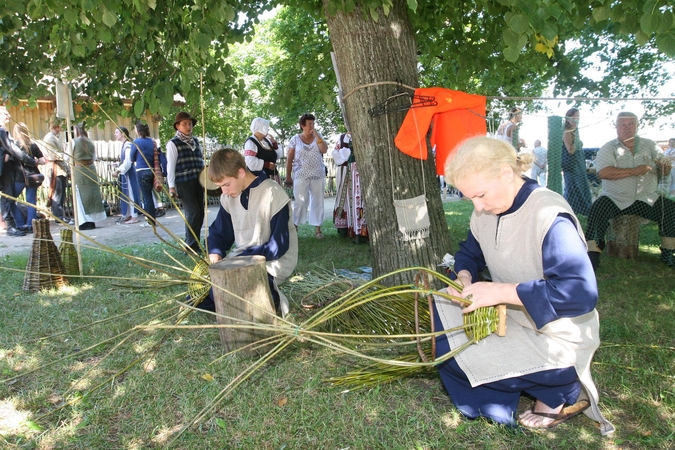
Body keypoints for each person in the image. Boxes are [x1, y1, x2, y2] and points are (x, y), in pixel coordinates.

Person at [434, 136, 614, 435]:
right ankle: (507, 392)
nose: (478, 207)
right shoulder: (488, 209)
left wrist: (501, 292)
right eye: (471, 200)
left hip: (558, 338)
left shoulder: (549, 214)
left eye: (481, 195)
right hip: (514, 319)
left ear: (506, 173)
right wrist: (464, 276)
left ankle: (562, 389)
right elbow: (469, 252)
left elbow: (580, 294)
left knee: (455, 356)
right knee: (441, 314)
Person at [200, 148, 298, 317]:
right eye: (220, 186)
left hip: (272, 260)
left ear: (241, 172)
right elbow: (219, 233)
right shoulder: (229, 198)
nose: (224, 191)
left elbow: (278, 246)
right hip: (242, 258)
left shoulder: (272, 193)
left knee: (245, 285)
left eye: (226, 184)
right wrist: (215, 252)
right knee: (204, 297)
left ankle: (271, 300)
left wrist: (244, 257)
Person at [585, 112, 675, 270]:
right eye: (623, 125)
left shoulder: (650, 145)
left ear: (637, 126)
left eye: (630, 124)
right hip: (615, 198)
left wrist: (665, 168)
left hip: (646, 198)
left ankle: (668, 253)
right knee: (597, 211)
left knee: (670, 209)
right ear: (617, 127)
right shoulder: (609, 147)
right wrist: (634, 170)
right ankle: (592, 254)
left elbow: (664, 170)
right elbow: (603, 173)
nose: (626, 128)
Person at [166, 111, 205, 254]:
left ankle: (196, 244)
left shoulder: (195, 141)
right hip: (184, 182)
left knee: (200, 213)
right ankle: (190, 246)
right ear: (177, 126)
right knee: (193, 212)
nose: (188, 126)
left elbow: (200, 161)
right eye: (184, 124)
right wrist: (171, 187)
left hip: (199, 181)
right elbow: (170, 166)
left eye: (189, 124)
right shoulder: (173, 143)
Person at [284, 113, 328, 239]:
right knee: (300, 202)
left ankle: (318, 230)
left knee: (318, 201)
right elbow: (289, 160)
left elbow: (324, 150)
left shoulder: (317, 137)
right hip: (301, 175)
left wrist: (317, 135)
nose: (312, 126)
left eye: (313, 124)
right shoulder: (295, 139)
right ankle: (295, 228)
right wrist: (288, 176)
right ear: (302, 125)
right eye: (309, 124)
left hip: (318, 175)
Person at [0, 106, 38, 236]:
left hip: (7, 170)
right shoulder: (1, 131)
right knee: (7, 197)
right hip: (5, 170)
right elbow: (13, 149)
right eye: (5, 113)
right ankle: (11, 226)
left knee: (8, 197)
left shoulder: (3, 131)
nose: (8, 115)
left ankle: (15, 225)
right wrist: (31, 161)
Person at [331, 132, 368, 240]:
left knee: (360, 199)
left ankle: (362, 230)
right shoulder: (343, 137)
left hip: (361, 171)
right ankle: (348, 228)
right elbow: (337, 155)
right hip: (346, 171)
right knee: (346, 199)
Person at [12, 122, 46, 233]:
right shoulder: (33, 145)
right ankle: (31, 225)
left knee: (10, 199)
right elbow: (42, 160)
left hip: (20, 176)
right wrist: (35, 162)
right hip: (33, 177)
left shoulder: (15, 145)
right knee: (31, 201)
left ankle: (20, 224)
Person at [71, 123, 106, 230]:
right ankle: (91, 221)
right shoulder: (90, 142)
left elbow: (68, 157)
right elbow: (94, 157)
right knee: (91, 195)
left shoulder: (73, 142)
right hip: (91, 169)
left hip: (80, 170)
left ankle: (84, 222)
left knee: (81, 196)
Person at [561, 108, 592, 216]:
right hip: (572, 164)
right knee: (573, 187)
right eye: (573, 117)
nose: (576, 120)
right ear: (567, 118)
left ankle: (583, 210)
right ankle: (570, 210)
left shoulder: (575, 131)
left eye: (577, 117)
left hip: (579, 163)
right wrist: (575, 140)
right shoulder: (567, 132)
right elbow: (570, 150)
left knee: (582, 185)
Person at [42, 117, 71, 223]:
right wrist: (65, 155)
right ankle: (58, 217)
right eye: (59, 126)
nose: (61, 129)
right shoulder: (49, 138)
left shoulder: (56, 137)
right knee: (57, 194)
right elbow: (54, 154)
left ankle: (61, 215)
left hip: (61, 167)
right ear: (56, 126)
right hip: (55, 168)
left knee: (61, 193)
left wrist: (67, 169)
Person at [131, 122, 157, 226]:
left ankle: (150, 221)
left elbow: (132, 158)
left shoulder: (136, 142)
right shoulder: (152, 141)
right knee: (149, 196)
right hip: (152, 170)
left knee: (146, 196)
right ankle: (152, 219)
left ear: (138, 131)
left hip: (141, 171)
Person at [113, 126, 140, 224]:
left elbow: (128, 161)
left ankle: (134, 216)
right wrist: (118, 165)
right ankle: (129, 214)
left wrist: (118, 170)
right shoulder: (125, 145)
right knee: (127, 194)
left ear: (123, 134)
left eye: (117, 132)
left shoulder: (128, 145)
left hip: (130, 173)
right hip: (126, 173)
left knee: (132, 193)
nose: (115, 134)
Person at [244, 117, 281, 183]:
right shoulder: (251, 142)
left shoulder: (267, 141)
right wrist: (267, 165)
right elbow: (251, 162)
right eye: (266, 127)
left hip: (272, 176)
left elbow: (277, 156)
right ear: (261, 127)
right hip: (259, 179)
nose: (268, 129)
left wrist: (274, 143)